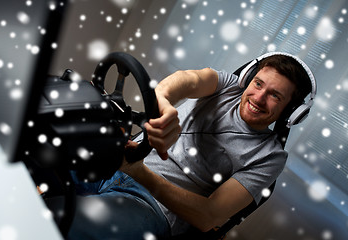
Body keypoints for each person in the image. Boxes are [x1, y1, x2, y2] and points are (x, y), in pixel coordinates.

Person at [66, 52, 314, 239]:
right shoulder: (227, 85)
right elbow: (187, 79)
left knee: (72, 224)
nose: (258, 98)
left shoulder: (270, 158)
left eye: (275, 96)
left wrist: (140, 173)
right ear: (248, 79)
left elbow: (209, 216)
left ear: (289, 112)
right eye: (258, 84)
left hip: (150, 205)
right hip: (117, 160)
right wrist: (163, 103)